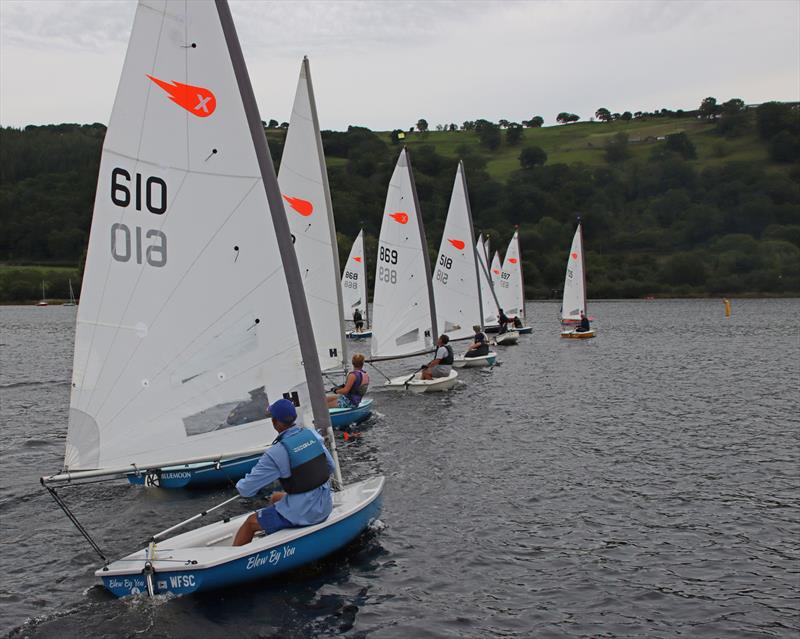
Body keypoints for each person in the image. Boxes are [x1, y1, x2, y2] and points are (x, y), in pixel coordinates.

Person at [233, 398, 335, 546]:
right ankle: (273, 532)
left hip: (305, 514)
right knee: (275, 498)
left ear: (275, 422)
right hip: (324, 505)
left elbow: (245, 490)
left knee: (250, 522)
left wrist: (239, 484)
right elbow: (330, 467)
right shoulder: (313, 435)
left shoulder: (275, 453)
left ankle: (237, 561)